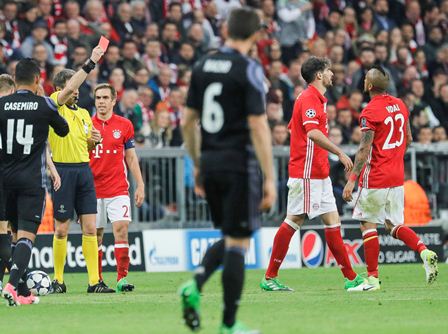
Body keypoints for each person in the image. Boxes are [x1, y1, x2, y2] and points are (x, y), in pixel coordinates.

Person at [179, 7, 276, 334]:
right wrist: (271, 177)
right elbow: (258, 125)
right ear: (255, 35)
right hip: (238, 164)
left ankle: (196, 284)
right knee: (239, 243)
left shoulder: (202, 65)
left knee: (231, 235)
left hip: (212, 163)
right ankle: (228, 324)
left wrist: (197, 164)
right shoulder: (248, 68)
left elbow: (187, 122)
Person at [260, 56, 372, 293]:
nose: (333, 74)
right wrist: (340, 153)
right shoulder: (309, 98)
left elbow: (294, 127)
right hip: (307, 173)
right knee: (294, 220)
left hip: (319, 173)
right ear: (319, 75)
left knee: (333, 222)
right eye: (329, 70)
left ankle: (350, 277)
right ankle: (270, 277)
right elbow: (311, 133)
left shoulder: (313, 99)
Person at [342, 65, 439, 290]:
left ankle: (373, 279)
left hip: (376, 176)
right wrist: (394, 159)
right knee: (392, 225)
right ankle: (424, 251)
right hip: (397, 176)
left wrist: (352, 179)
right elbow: (409, 138)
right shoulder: (400, 105)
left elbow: (364, 150)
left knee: (367, 224)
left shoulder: (369, 112)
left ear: (368, 85)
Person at [0, 58, 69, 306]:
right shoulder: (44, 106)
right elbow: (63, 130)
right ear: (38, 80)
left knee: (13, 236)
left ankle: (20, 290)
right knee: (27, 237)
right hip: (31, 181)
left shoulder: (1, 105)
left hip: (4, 181)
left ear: (15, 79)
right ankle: (11, 286)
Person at [49, 46, 115, 294]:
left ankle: (93, 281)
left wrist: (93, 140)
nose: (76, 90)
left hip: (84, 171)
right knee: (62, 228)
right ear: (61, 88)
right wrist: (91, 61)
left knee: (90, 227)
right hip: (63, 171)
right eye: (72, 86)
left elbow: (85, 143)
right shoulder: (55, 107)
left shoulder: (86, 114)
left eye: (76, 87)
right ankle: (58, 280)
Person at [89, 83, 145, 292]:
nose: (101, 102)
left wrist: (140, 184)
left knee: (121, 229)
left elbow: (130, 157)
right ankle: (97, 279)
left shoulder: (124, 125)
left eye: (105, 98)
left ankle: (122, 279)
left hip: (118, 188)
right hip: (92, 189)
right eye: (98, 98)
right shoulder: (87, 124)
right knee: (96, 235)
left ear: (113, 101)